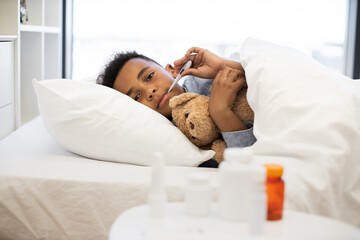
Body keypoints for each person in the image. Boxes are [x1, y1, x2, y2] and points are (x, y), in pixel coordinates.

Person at [97, 47, 256, 167]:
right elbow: (253, 160)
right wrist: (221, 112)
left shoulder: (207, 79)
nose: (150, 91)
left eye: (149, 76)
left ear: (172, 71)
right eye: (137, 97)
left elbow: (266, 79)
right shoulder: (171, 139)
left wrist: (223, 65)